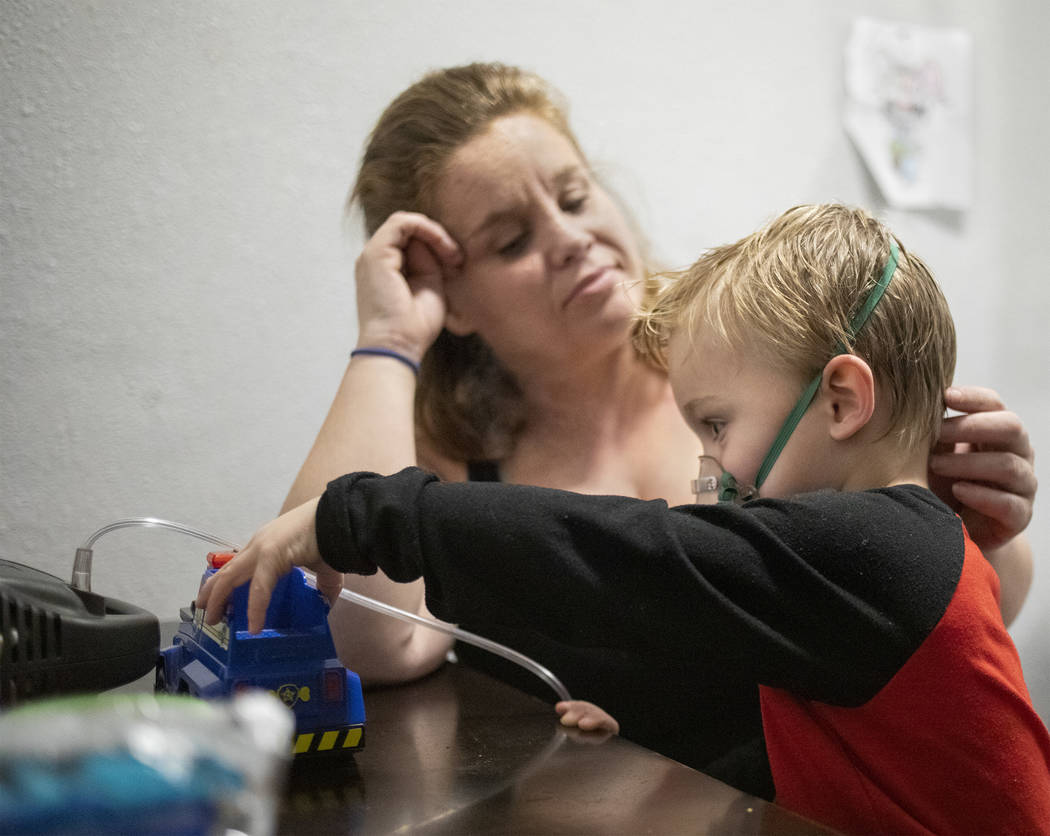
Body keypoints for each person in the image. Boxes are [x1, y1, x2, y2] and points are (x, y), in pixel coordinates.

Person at [200, 204, 1050, 834]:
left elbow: (626, 558)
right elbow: (796, 729)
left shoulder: (879, 546)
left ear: (840, 401)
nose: (709, 465)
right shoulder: (875, 559)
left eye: (718, 424)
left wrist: (363, 513)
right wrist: (645, 723)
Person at [282, 64, 1037, 703]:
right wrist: (386, 341)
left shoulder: (769, 373)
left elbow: (950, 614)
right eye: (512, 240)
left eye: (575, 197)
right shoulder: (440, 459)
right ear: (454, 302)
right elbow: (364, 645)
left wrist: (976, 527)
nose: (572, 238)